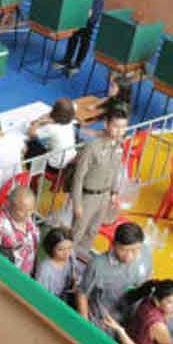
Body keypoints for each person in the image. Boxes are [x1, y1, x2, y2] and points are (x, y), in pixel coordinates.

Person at [67, 107, 126, 254]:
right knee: (77, 232)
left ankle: (80, 260)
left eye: (123, 127)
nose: (120, 131)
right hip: (87, 197)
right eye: (116, 126)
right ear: (106, 125)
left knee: (92, 232)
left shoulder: (119, 145)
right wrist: (77, 203)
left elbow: (115, 169)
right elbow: (78, 177)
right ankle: (66, 261)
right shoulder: (92, 147)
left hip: (104, 196)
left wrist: (114, 191)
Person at [74, 221, 152, 325]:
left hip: (130, 315)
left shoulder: (145, 252)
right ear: (113, 244)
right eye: (123, 250)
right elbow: (82, 294)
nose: (129, 256)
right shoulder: (97, 265)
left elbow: (148, 274)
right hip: (104, 319)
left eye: (134, 250)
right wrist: (85, 324)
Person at [0, 185, 39, 274]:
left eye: (30, 210)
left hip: (26, 273)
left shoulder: (26, 217)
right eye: (22, 211)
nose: (28, 214)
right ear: (10, 205)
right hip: (8, 276)